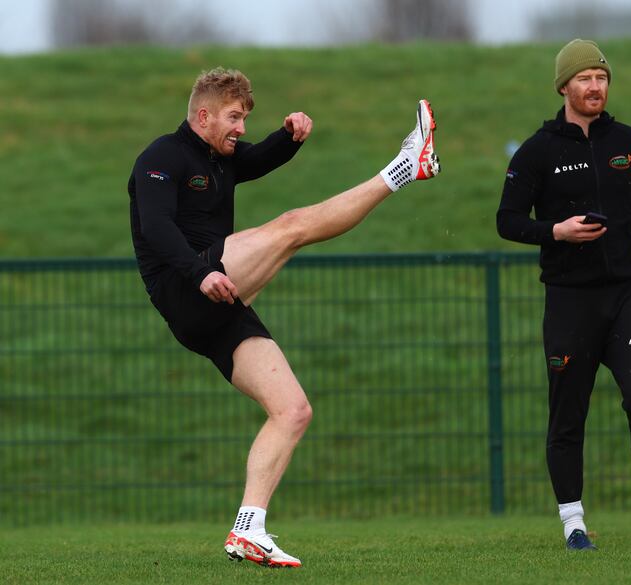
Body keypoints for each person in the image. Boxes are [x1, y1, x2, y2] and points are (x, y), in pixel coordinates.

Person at [128, 67, 440, 568]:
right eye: (234, 117)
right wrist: (197, 274)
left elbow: (257, 159)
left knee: (293, 411)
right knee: (292, 227)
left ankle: (248, 529)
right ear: (203, 115)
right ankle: (405, 167)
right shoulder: (161, 157)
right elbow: (157, 227)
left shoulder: (221, 157)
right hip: (186, 287)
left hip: (221, 300)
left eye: (246, 118)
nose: (241, 129)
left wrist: (289, 138)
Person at [496, 40, 631, 551]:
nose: (595, 87)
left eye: (601, 78)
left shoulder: (630, 142)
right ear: (564, 86)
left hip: (629, 293)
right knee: (567, 414)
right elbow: (507, 221)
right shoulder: (539, 151)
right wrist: (554, 232)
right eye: (584, 79)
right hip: (569, 299)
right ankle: (573, 522)